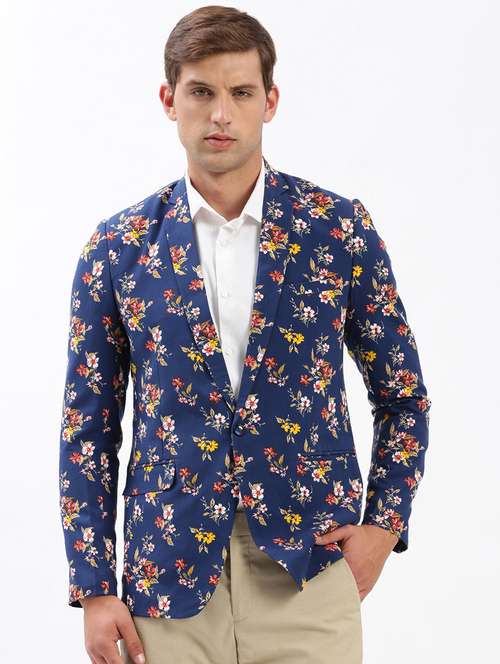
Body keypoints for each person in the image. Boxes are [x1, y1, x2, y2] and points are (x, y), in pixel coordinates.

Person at [58, 5, 432, 664]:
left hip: (309, 571)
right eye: (202, 92)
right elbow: (87, 428)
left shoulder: (336, 230)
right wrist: (94, 587)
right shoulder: (118, 248)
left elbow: (403, 396)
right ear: (170, 100)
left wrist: (383, 526)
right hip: (166, 581)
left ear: (270, 102)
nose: (221, 114)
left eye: (241, 93)